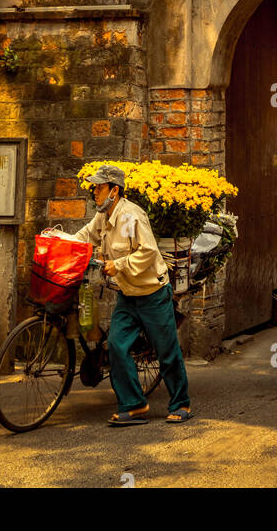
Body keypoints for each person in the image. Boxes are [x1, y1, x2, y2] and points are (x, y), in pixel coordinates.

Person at [74, 164, 192, 425]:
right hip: (128, 295)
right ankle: (134, 404)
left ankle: (181, 403)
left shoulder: (130, 217)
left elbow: (147, 251)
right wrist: (63, 242)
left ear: (114, 191)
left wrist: (119, 264)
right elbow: (85, 236)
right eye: (95, 187)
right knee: (116, 346)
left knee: (166, 351)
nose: (95, 192)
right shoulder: (103, 217)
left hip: (153, 293)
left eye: (99, 187)